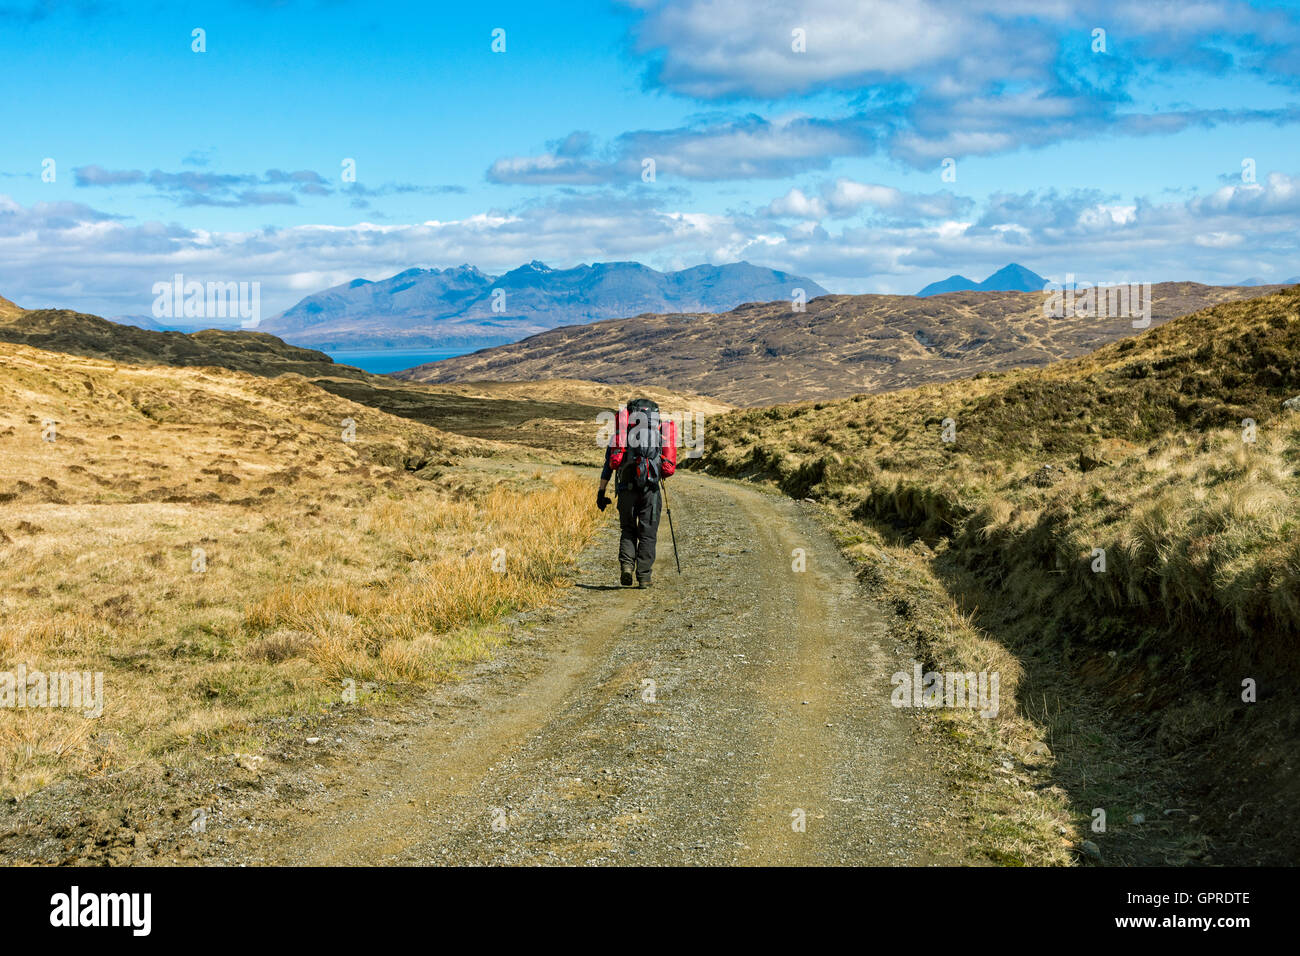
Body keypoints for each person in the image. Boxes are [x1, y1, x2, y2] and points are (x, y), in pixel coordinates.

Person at [596, 398, 676, 588]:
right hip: (651, 490)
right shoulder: (658, 434)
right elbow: (668, 466)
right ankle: (644, 577)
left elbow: (609, 466)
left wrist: (601, 492)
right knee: (648, 534)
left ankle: (626, 566)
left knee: (628, 529)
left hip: (625, 490)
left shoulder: (621, 435)